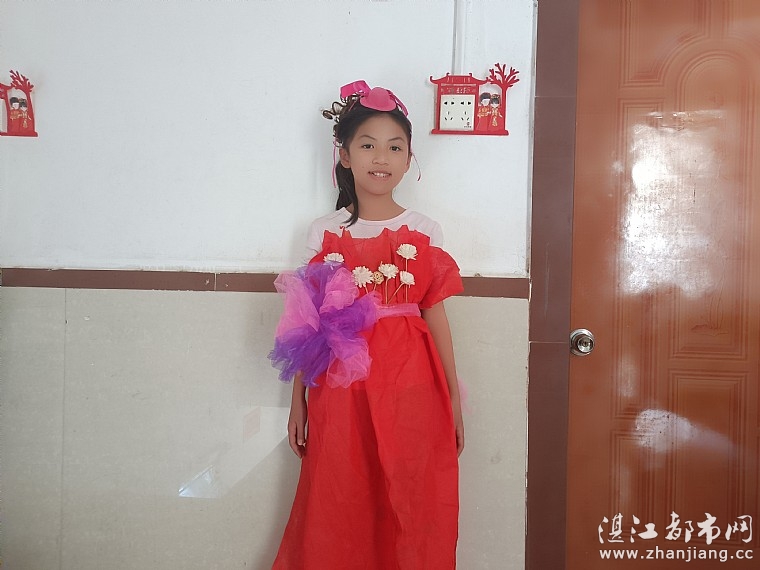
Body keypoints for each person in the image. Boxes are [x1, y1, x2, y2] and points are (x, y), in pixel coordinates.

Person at [269, 80, 464, 569]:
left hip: (411, 385)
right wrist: (297, 400)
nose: (382, 157)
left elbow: (435, 314)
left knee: (412, 494)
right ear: (345, 155)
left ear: (409, 158)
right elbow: (308, 324)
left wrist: (454, 398)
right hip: (340, 387)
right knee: (340, 492)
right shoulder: (325, 231)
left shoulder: (425, 231)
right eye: (368, 145)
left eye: (395, 147)